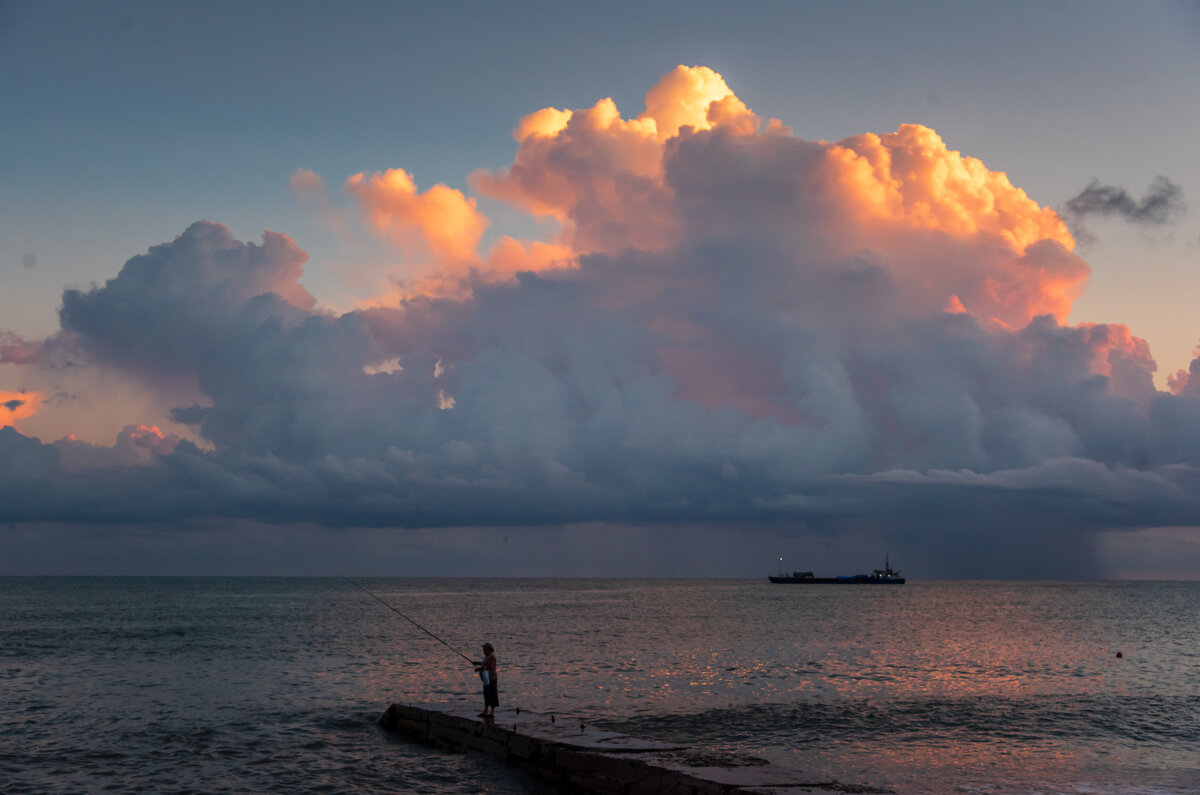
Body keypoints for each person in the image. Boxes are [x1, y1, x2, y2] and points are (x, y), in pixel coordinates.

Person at [473, 642, 498, 719]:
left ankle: (492, 713)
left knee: (492, 695)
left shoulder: (492, 657)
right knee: (486, 694)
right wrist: (477, 663)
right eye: (483, 649)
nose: (483, 650)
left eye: (485, 649)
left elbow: (490, 666)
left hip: (492, 678)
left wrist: (479, 669)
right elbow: (484, 664)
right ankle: (486, 711)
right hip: (486, 677)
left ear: (489, 649)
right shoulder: (487, 657)